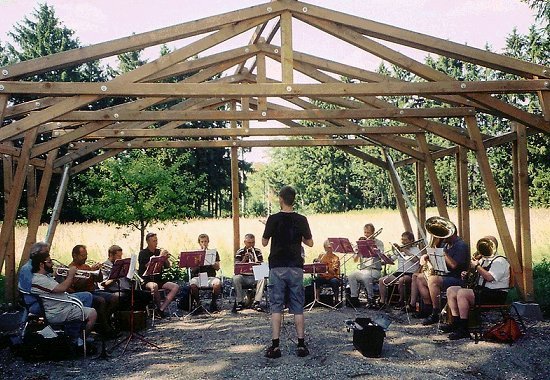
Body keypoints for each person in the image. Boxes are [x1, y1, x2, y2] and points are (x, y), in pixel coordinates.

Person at [262, 185, 313, 359]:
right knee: (298, 306)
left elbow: (263, 242)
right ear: (294, 199)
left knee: (276, 305)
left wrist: (270, 228)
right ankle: (301, 344)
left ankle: (275, 346)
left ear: (281, 199)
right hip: (296, 266)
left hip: (277, 266)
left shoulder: (273, 218)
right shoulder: (301, 219)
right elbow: (310, 243)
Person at [444, 236, 510, 340]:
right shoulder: (483, 260)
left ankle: (464, 328)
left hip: (495, 294)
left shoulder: (500, 261)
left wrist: (477, 267)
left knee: (462, 293)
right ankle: (455, 323)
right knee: (451, 290)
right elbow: (477, 276)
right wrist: (467, 274)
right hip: (482, 291)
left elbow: (489, 277)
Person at [30, 244, 97, 336]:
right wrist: (71, 275)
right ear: (41, 264)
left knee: (86, 297)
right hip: (58, 312)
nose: (52, 264)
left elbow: (55, 288)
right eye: (49, 262)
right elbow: (62, 288)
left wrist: (58, 276)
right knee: (92, 314)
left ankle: (74, 334)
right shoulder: (39, 279)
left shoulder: (44, 276)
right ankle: (78, 339)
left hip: (62, 306)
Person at [18, 242, 93, 319]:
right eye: (46, 252)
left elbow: (46, 284)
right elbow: (34, 288)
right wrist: (70, 276)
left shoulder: (39, 267)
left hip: (50, 296)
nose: (48, 255)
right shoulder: (28, 268)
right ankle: (74, 322)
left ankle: (76, 319)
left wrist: (56, 276)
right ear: (36, 254)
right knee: (86, 299)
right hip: (39, 302)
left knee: (87, 296)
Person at [415, 220, 470, 325]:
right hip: (445, 275)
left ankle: (436, 312)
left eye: (444, 235)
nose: (442, 238)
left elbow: (454, 265)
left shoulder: (461, 245)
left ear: (452, 234)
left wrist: (444, 253)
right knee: (420, 278)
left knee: (432, 280)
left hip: (457, 278)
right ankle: (428, 308)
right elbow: (437, 255)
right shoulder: (446, 244)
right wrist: (426, 256)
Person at [68, 244, 120, 337]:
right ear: (74, 256)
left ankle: (103, 322)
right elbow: (78, 286)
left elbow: (99, 280)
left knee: (114, 298)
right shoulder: (71, 268)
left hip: (92, 291)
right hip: (81, 293)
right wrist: (91, 271)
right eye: (82, 256)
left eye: (86, 255)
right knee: (101, 301)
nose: (85, 258)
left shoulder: (86, 266)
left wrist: (98, 271)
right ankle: (105, 328)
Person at [138, 233, 180, 317]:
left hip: (158, 278)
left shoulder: (158, 251)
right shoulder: (143, 253)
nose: (156, 243)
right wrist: (160, 256)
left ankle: (161, 309)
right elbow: (147, 266)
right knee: (154, 286)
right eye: (154, 241)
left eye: (156, 240)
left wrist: (165, 258)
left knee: (175, 287)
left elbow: (168, 266)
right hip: (146, 280)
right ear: (148, 242)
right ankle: (159, 308)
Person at [100, 245, 152, 311]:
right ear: (111, 255)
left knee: (146, 295)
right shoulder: (104, 266)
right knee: (125, 297)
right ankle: (125, 316)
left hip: (126, 289)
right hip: (113, 290)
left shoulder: (121, 264)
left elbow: (128, 279)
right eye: (118, 256)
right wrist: (115, 277)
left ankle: (138, 317)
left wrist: (129, 272)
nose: (120, 258)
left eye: (121, 256)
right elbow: (104, 284)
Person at [378, 231, 420, 308]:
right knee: (382, 280)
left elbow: (416, 260)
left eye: (406, 240)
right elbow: (391, 261)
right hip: (399, 272)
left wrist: (405, 251)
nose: (403, 242)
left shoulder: (416, 249)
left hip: (410, 273)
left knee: (402, 280)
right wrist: (387, 258)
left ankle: (401, 301)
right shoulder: (400, 250)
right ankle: (382, 302)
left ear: (411, 240)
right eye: (402, 240)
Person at [347, 223, 384, 308]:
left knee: (366, 277)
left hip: (375, 269)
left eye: (368, 233)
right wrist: (358, 251)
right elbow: (355, 260)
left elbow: (381, 256)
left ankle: (371, 299)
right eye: (365, 232)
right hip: (363, 269)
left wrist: (372, 247)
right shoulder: (361, 243)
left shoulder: (379, 243)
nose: (366, 235)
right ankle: (354, 298)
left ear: (373, 232)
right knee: (351, 276)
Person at [232, 233, 266, 311]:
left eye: (253, 243)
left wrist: (256, 261)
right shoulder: (240, 252)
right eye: (249, 243)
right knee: (236, 278)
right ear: (245, 242)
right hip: (243, 277)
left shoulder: (258, 251)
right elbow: (236, 266)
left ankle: (256, 302)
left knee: (263, 279)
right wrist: (244, 259)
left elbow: (262, 266)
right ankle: (240, 302)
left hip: (254, 276)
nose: (251, 245)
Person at [189, 233, 222, 313]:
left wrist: (211, 262)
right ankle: (198, 304)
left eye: (205, 241)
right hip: (198, 276)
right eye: (202, 242)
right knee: (192, 285)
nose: (204, 243)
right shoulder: (195, 253)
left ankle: (213, 303)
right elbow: (192, 270)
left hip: (210, 276)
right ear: (199, 243)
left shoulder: (213, 253)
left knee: (217, 283)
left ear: (208, 242)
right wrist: (198, 263)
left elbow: (218, 268)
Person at [313, 239, 341, 306]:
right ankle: (317, 300)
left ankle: (336, 300)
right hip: (323, 276)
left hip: (332, 276)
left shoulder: (335, 258)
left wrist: (327, 267)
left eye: (330, 247)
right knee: (316, 281)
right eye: (327, 247)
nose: (329, 249)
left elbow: (334, 272)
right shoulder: (321, 256)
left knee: (334, 281)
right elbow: (318, 268)